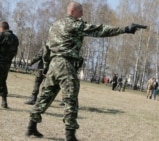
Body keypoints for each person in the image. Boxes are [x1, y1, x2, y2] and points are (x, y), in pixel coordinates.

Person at [25, 2, 143, 141]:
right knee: (71, 99)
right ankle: (70, 135)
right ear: (73, 11)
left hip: (53, 64)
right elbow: (100, 30)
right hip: (66, 64)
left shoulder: (54, 25)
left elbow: (46, 46)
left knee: (45, 96)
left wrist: (46, 65)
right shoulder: (75, 25)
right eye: (80, 11)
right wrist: (125, 29)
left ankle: (31, 127)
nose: (82, 14)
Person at [0, 21, 19, 108]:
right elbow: (15, 52)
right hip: (7, 64)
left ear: (1, 28)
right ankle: (4, 102)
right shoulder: (15, 38)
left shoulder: (2, 35)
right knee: (2, 82)